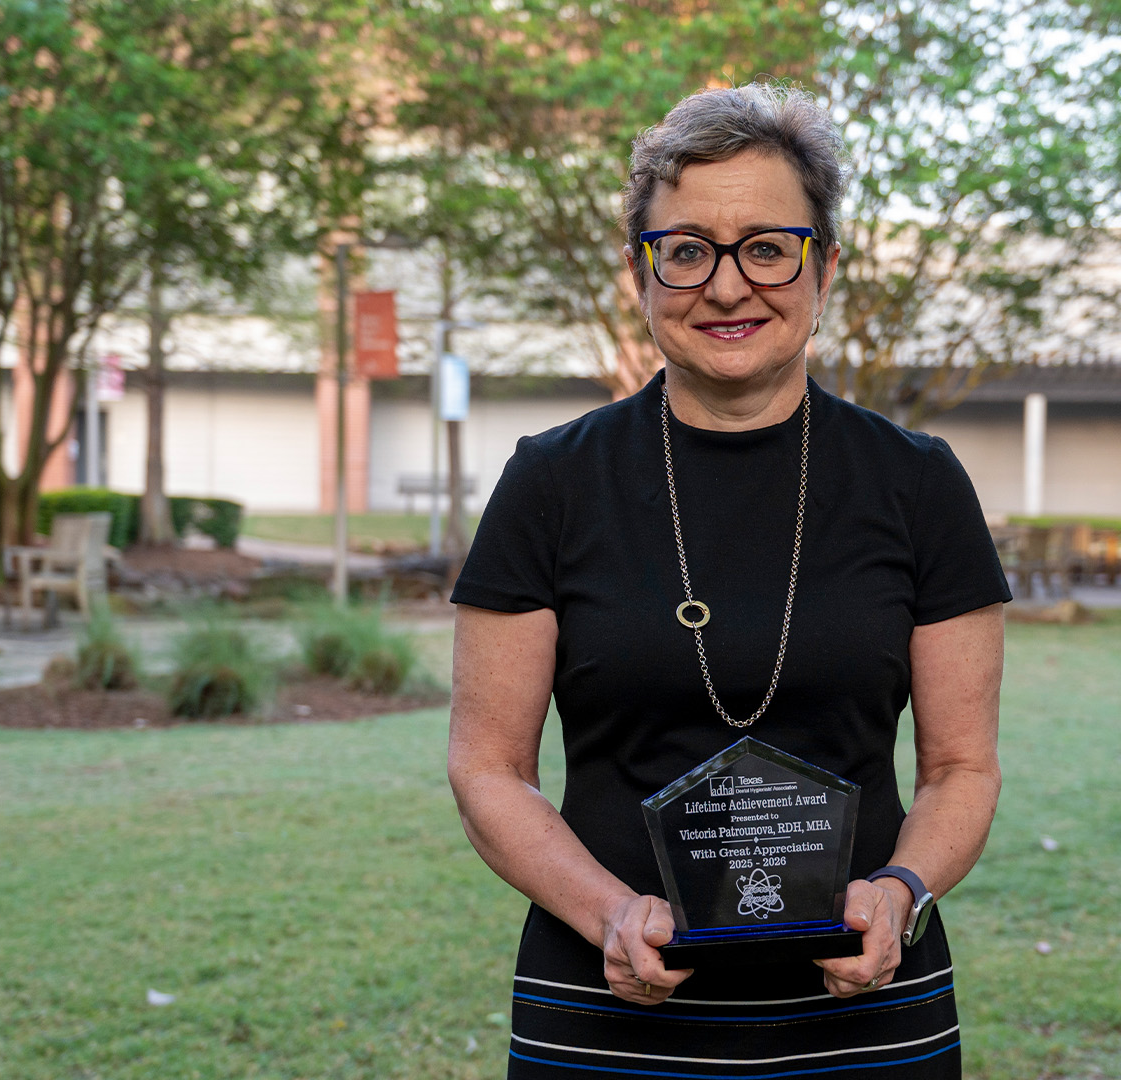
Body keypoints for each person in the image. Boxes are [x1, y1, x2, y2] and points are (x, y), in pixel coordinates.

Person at [448, 83, 1010, 1078]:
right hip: (606, 1005)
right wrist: (609, 913)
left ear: (823, 265)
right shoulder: (552, 481)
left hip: (865, 1007)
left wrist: (902, 892)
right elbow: (489, 766)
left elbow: (960, 768)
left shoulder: (918, 484)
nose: (726, 285)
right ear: (642, 273)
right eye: (688, 250)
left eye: (766, 246)